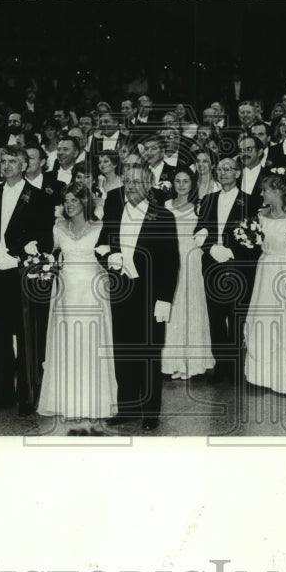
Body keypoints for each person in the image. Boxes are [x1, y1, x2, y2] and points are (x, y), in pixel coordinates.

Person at [98, 156, 180, 431]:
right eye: (127, 181)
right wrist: (110, 257)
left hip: (151, 295)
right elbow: (101, 244)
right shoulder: (114, 208)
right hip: (122, 291)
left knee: (148, 352)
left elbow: (171, 262)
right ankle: (127, 408)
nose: (131, 186)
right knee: (123, 350)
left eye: (137, 182)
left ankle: (150, 411)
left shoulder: (163, 216)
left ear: (150, 184)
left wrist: (164, 300)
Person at [0, 146, 54, 415]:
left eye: (12, 161)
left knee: (26, 335)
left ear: (24, 165)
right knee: (0, 333)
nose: (7, 166)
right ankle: (4, 394)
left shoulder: (39, 196)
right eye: (3, 161)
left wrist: (16, 257)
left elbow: (44, 239)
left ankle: (27, 396)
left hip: (22, 272)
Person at [37, 183, 118, 421]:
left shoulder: (99, 226)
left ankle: (96, 399)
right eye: (67, 201)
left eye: (74, 200)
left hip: (92, 288)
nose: (70, 205)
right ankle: (68, 399)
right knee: (68, 340)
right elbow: (50, 252)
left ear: (85, 202)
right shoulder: (58, 227)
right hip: (65, 289)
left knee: (91, 340)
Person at [196, 155, 257, 386]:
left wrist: (233, 253)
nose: (223, 173)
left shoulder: (251, 201)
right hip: (212, 265)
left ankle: (235, 367)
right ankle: (221, 366)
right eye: (220, 169)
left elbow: (255, 237)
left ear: (238, 173)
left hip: (238, 267)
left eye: (228, 169)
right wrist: (210, 248)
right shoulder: (209, 199)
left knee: (237, 317)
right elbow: (199, 230)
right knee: (216, 317)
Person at [243, 172, 286, 394]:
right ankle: (261, 375)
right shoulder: (260, 214)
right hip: (265, 270)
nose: (261, 193)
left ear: (277, 191)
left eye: (265, 190)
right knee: (264, 318)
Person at [162, 169, 215, 381]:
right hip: (171, 258)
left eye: (186, 181)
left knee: (190, 306)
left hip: (192, 259)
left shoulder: (200, 206)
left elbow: (206, 232)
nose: (181, 185)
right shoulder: (165, 206)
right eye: (177, 181)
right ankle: (171, 361)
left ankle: (191, 360)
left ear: (192, 184)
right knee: (173, 307)